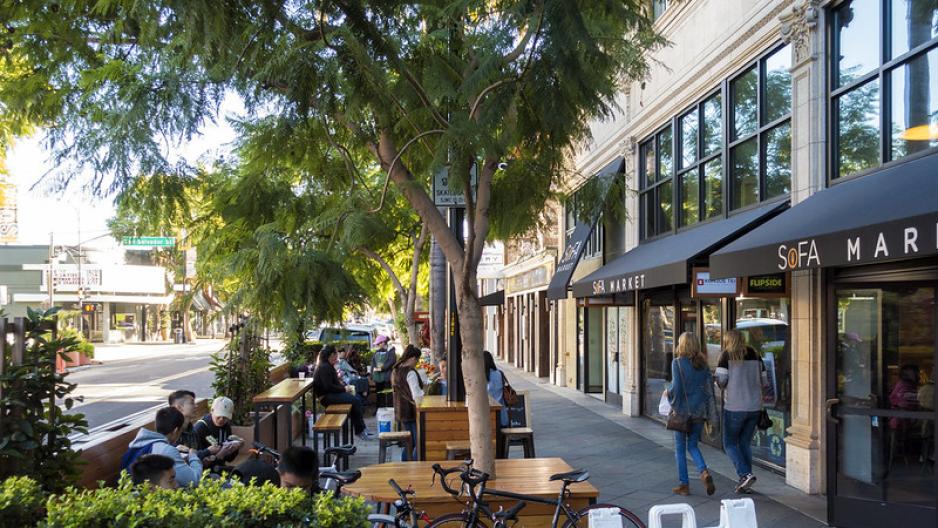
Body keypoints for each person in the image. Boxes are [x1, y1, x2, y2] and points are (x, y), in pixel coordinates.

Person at [716, 329, 768, 494]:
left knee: (729, 443)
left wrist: (716, 381)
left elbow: (721, 381)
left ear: (729, 341)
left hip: (734, 406)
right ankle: (746, 480)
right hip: (754, 407)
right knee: (744, 443)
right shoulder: (755, 354)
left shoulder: (726, 356)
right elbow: (765, 381)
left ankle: (745, 474)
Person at [667, 332, 716, 496]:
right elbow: (709, 392)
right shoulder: (703, 365)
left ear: (682, 345)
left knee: (680, 449)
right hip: (699, 413)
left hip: (682, 413)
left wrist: (669, 394)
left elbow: (677, 389)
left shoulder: (677, 363)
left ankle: (684, 484)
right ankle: (704, 472)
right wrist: (710, 414)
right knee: (693, 446)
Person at [125, 407, 203, 487]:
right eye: (181, 431)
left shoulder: (140, 443)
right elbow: (193, 480)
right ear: (176, 431)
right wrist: (193, 456)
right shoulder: (167, 450)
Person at [314, 344, 375, 440]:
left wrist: (344, 386)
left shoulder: (327, 365)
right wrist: (344, 389)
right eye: (336, 354)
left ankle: (361, 429)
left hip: (331, 394)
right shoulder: (324, 367)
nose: (337, 357)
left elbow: (334, 383)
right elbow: (328, 386)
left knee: (357, 399)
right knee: (355, 400)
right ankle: (360, 431)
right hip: (326, 397)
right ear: (331, 355)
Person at [168, 390, 219, 464]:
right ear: (179, 407)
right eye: (192, 403)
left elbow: (197, 455)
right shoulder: (172, 433)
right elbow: (181, 460)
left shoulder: (192, 431)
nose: (196, 406)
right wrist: (208, 451)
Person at [392, 345, 424, 461]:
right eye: (416, 360)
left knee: (410, 442)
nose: (416, 363)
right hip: (411, 411)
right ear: (411, 358)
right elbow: (417, 395)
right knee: (418, 442)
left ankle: (404, 464)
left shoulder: (396, 369)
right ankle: (415, 466)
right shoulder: (410, 373)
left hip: (401, 410)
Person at [192, 396, 243, 469]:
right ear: (212, 411)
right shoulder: (200, 428)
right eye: (219, 416)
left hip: (219, 467)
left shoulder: (226, 426)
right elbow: (197, 461)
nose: (221, 420)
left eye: (225, 417)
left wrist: (235, 448)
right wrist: (219, 454)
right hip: (204, 471)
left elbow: (229, 459)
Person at [371, 336, 397, 406]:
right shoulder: (377, 351)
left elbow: (391, 361)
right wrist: (372, 374)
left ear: (383, 342)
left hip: (387, 377)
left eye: (378, 344)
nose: (377, 345)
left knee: (388, 393)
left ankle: (389, 408)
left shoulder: (391, 350)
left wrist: (381, 368)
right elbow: (373, 363)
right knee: (379, 394)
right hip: (378, 378)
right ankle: (379, 408)